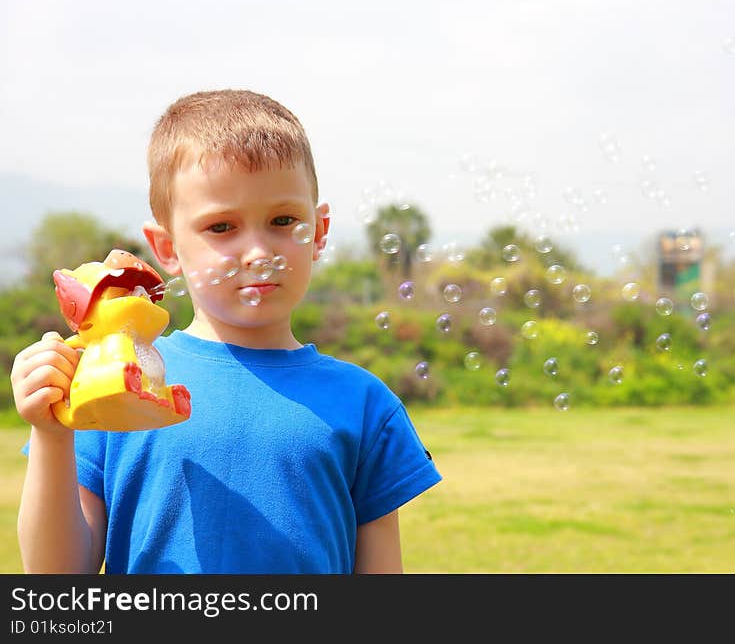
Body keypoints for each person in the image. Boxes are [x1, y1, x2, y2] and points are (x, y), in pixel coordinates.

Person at [12, 89, 442, 574]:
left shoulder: (365, 405)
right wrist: (50, 435)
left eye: (283, 220)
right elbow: (58, 581)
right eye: (221, 227)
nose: (258, 252)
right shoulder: (116, 379)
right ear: (167, 247)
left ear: (319, 232)